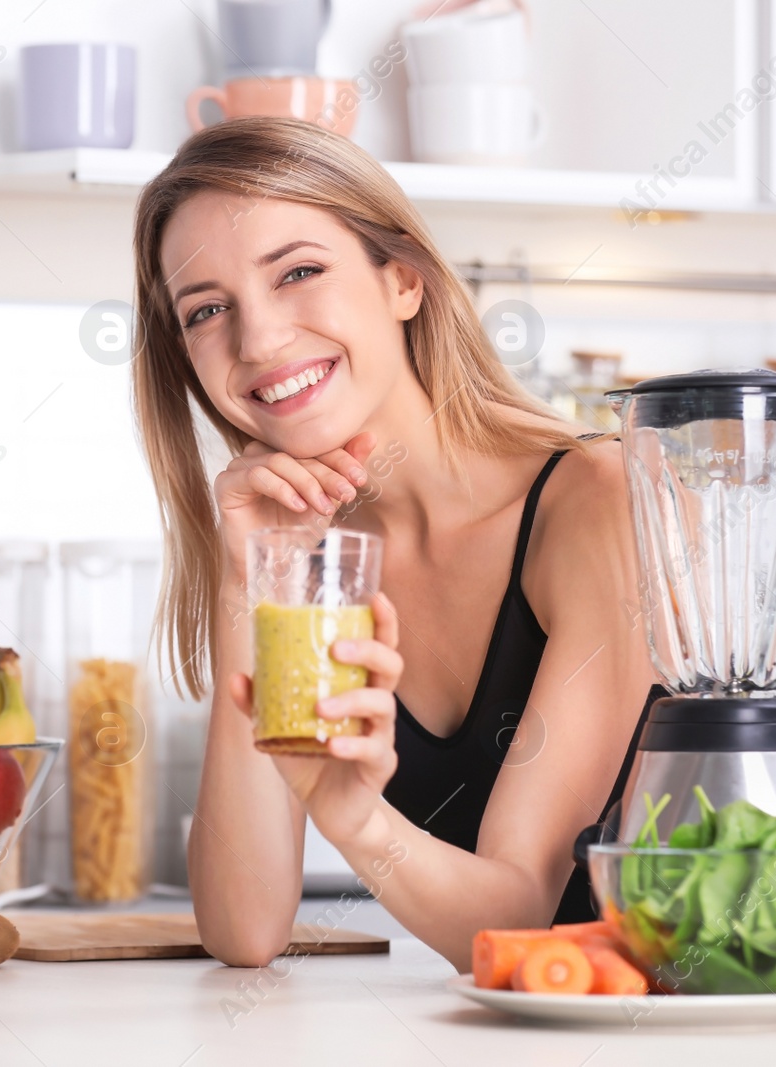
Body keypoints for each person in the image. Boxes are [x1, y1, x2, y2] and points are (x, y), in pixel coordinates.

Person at [130, 117, 662, 971]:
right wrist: (249, 581)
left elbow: (521, 916)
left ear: (403, 280)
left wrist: (353, 817)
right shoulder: (310, 556)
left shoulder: (598, 501)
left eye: (298, 271)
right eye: (207, 310)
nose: (258, 340)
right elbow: (245, 928)